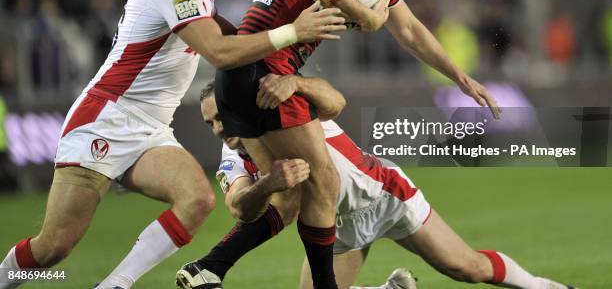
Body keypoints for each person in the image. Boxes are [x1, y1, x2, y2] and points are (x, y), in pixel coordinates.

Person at [0, 0, 345, 289]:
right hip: (106, 118)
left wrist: (296, 40)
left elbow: (238, 39)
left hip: (150, 128)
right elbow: (218, 50)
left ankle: (114, 286)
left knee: (198, 198)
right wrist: (292, 31)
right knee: (53, 248)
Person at [214, 0, 501, 289]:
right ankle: (211, 265)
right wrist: (363, 15)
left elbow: (411, 31)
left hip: (257, 70)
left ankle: (211, 266)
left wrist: (461, 79)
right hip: (262, 67)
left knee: (296, 191)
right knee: (319, 184)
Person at [178, 76, 576, 289]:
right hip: (335, 223)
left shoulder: (281, 112)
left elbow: (333, 100)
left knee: (467, 268)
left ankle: (549, 288)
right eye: (208, 123)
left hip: (384, 194)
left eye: (221, 117)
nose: (217, 129)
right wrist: (266, 184)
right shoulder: (235, 154)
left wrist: (296, 82)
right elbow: (239, 208)